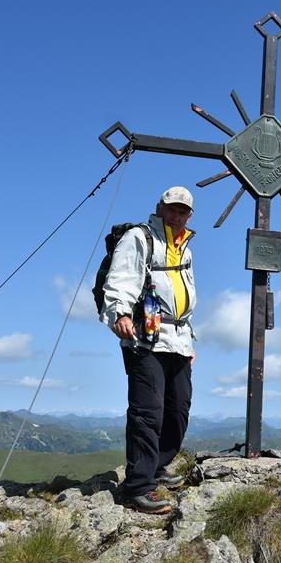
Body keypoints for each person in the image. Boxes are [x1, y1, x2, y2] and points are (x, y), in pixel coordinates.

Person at [100, 186, 197, 514]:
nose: (177, 215)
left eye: (183, 211)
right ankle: (138, 486)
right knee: (147, 412)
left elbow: (184, 295)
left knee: (178, 409)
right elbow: (122, 277)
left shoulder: (184, 247)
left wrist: (189, 339)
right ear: (160, 208)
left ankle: (156, 467)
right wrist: (120, 312)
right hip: (145, 335)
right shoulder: (140, 238)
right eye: (172, 208)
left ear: (189, 215)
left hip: (178, 339)